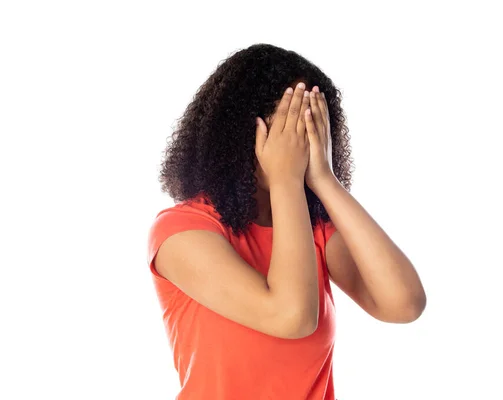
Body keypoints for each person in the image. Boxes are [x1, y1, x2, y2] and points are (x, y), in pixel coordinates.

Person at [147, 43, 426, 400]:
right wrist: (285, 181)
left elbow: (404, 304)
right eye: (289, 124)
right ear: (240, 131)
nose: (301, 141)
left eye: (313, 125)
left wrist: (325, 179)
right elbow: (291, 317)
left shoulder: (313, 232)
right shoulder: (180, 231)